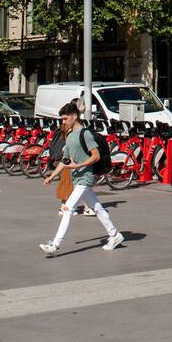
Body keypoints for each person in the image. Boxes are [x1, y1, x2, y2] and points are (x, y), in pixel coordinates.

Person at [39, 102, 123, 256]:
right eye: (62, 119)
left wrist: (78, 166)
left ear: (74, 116)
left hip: (85, 177)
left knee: (68, 208)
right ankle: (115, 235)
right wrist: (52, 176)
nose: (63, 122)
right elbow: (65, 160)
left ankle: (55, 245)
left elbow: (96, 156)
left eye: (65, 119)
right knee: (97, 208)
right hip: (77, 178)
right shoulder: (70, 136)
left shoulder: (85, 134)